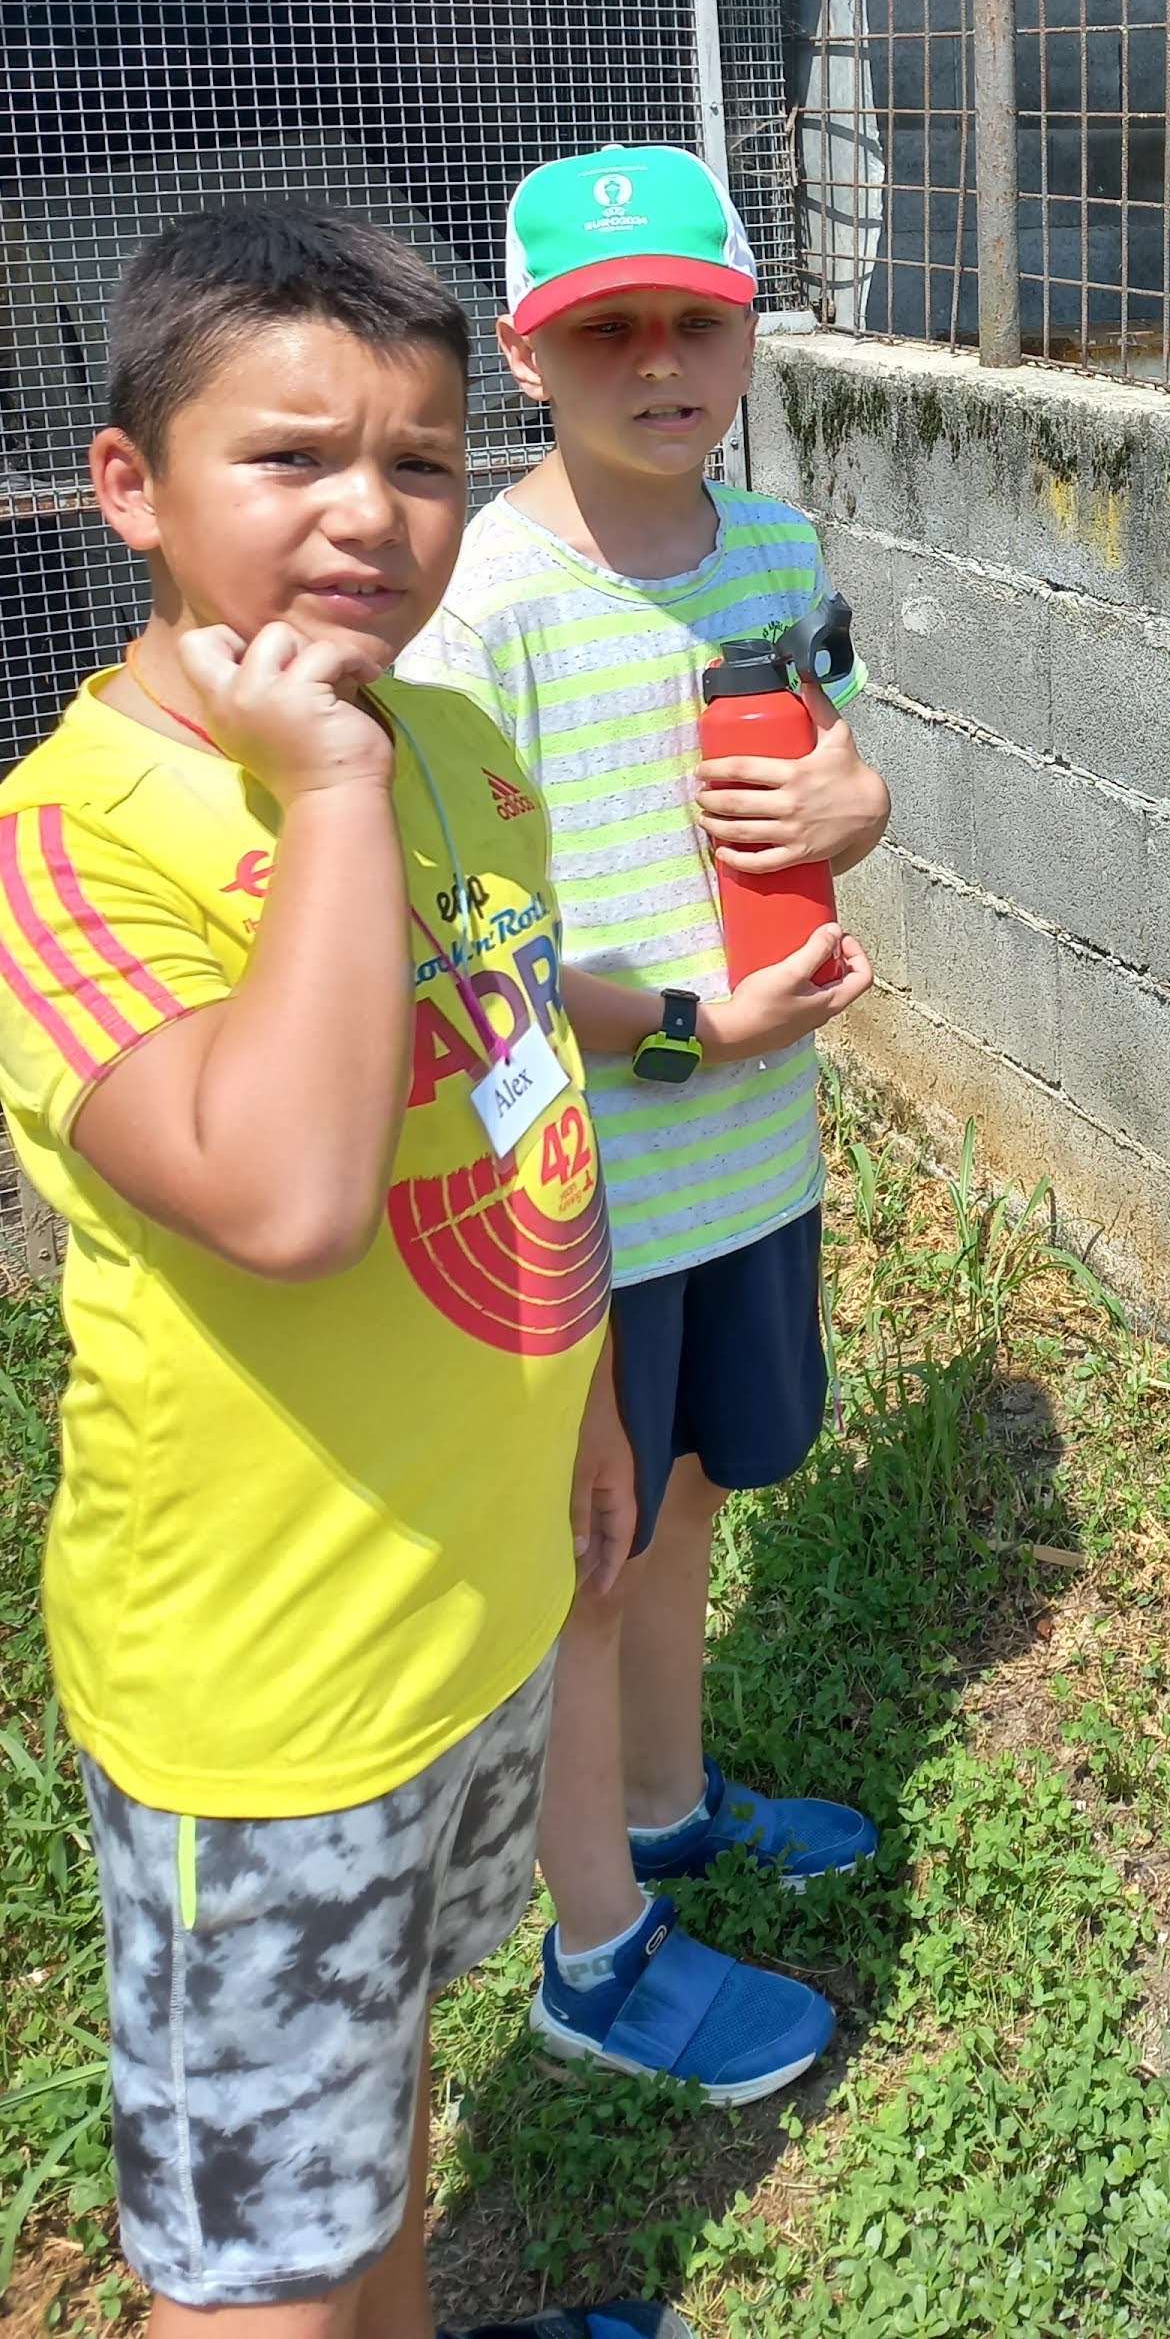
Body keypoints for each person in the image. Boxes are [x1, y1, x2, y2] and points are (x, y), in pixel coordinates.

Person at [0, 202, 672, 2339]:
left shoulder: (452, 752)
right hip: (270, 1698)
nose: (369, 514)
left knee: (378, 2107)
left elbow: (523, 1105)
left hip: (467, 1606)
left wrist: (583, 1395)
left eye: (420, 460)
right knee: (255, 2282)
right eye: (290, 458)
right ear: (133, 486)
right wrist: (324, 791)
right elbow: (286, 1201)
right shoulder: (76, 837)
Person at [400, 149, 888, 2107]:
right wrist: (693, 1031)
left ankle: (671, 1808)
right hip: (581, 1192)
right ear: (526, 360)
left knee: (683, 1498)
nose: (661, 362)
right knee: (583, 1557)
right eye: (606, 331)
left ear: (750, 332)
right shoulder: (477, 611)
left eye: (697, 320)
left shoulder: (772, 549)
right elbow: (472, 957)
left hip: (749, 1161)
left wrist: (858, 810)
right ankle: (592, 1954)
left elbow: (834, 765)